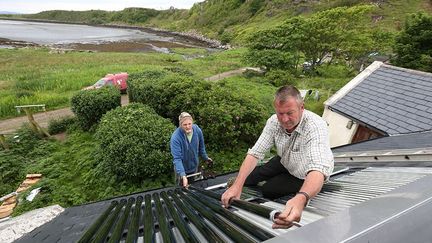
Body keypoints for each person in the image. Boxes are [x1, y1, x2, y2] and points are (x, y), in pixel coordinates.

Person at [221, 85, 334, 229]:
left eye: (289, 113)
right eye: (280, 113)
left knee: (269, 189)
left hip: (302, 173)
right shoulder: (274, 121)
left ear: (302, 107)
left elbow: (317, 168)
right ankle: (238, 184)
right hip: (285, 160)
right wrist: (237, 185)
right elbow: (255, 153)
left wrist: (301, 198)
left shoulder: (316, 126)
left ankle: (308, 187)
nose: (284, 119)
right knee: (249, 177)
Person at [170, 112, 212, 187]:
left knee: (193, 187)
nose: (188, 126)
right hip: (181, 169)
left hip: (194, 167)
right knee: (182, 190)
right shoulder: (175, 138)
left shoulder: (197, 131)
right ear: (180, 125)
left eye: (189, 124)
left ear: (192, 123)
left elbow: (201, 147)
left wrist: (206, 158)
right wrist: (183, 175)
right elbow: (177, 159)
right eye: (185, 125)